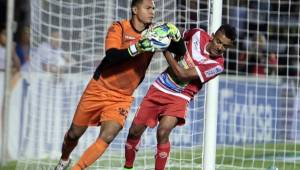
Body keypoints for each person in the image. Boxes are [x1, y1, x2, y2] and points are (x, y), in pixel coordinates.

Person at [54, 0, 180, 169]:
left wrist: (176, 37)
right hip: (99, 88)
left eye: (154, 9)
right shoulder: (119, 28)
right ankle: (64, 160)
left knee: (108, 135)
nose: (152, 12)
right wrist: (137, 48)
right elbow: (111, 56)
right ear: (135, 9)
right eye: (148, 8)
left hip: (121, 97)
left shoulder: (155, 33)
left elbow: (180, 51)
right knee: (73, 134)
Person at [123, 24, 236, 170]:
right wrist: (166, 33)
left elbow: (182, 74)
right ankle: (127, 166)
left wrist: (164, 50)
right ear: (212, 35)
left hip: (180, 96)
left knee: (163, 132)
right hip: (160, 87)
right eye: (219, 42)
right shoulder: (197, 34)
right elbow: (178, 36)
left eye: (225, 47)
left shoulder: (217, 65)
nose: (220, 48)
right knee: (134, 132)